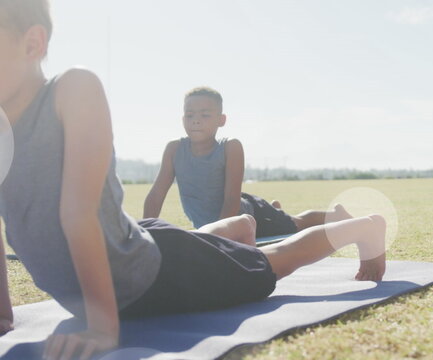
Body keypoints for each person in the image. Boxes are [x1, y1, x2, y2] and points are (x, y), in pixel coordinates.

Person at [0, 1, 386, 359]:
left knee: (273, 261)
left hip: (157, 272)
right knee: (198, 242)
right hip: (132, 240)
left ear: (32, 43)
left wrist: (103, 327)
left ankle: (366, 228)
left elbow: (77, 213)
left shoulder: (72, 88)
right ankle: (236, 227)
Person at [143, 87, 353, 240]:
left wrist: (220, 238)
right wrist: (147, 232)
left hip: (248, 217)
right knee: (284, 219)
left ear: (221, 120)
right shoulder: (174, 150)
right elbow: (156, 195)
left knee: (295, 225)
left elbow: (232, 198)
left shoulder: (230, 147)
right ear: (182, 119)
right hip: (219, 226)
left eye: (205, 115)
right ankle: (275, 209)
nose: (196, 120)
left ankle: (335, 215)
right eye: (190, 115)